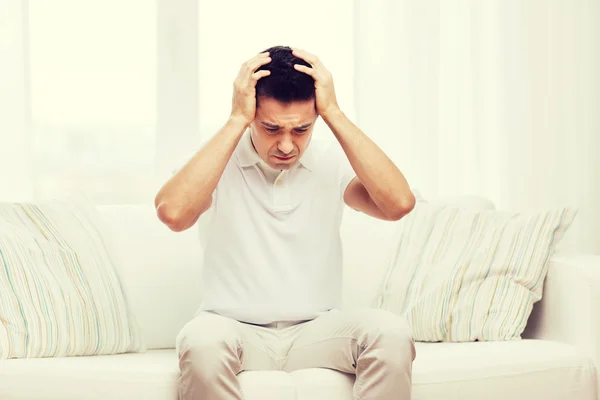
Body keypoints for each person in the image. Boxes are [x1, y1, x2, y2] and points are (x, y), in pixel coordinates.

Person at [154, 45, 417, 400]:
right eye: (271, 128)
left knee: (392, 333)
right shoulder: (217, 160)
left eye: (301, 130)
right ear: (251, 115)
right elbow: (173, 213)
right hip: (233, 330)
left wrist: (334, 112)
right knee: (201, 342)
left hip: (316, 333)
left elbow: (398, 204)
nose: (287, 145)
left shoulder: (329, 161)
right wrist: (236, 119)